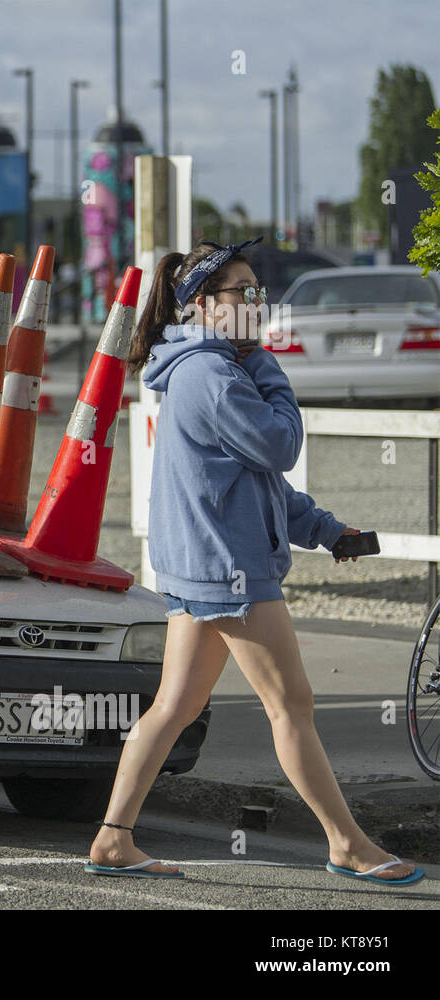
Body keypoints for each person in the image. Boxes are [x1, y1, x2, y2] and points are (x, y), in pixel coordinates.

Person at [84, 239, 424, 885]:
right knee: (290, 704)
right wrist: (268, 364)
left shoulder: (209, 367)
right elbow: (279, 445)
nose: (256, 303)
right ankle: (347, 844)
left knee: (174, 706)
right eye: (243, 293)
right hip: (229, 572)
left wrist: (327, 531)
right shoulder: (214, 374)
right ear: (205, 306)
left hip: (204, 568)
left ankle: (113, 838)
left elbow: (256, 482)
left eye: (256, 291)